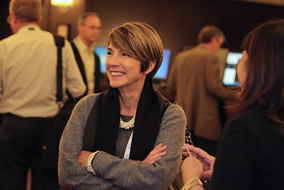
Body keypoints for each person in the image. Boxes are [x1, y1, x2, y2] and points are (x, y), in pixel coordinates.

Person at [58, 22, 186, 190]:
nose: (111, 62)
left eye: (125, 54)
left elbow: (158, 179)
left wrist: (94, 160)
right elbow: (67, 174)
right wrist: (138, 172)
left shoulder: (170, 115)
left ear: (149, 65)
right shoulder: (87, 106)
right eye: (110, 52)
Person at [181, 19, 284, 190]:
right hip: (205, 118)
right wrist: (226, 166)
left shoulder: (246, 130)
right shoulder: (211, 58)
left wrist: (191, 179)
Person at [0, 0, 86, 189]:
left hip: (13, 127)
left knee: (9, 182)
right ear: (39, 18)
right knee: (46, 184)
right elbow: (78, 89)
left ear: (13, 17)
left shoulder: (3, 46)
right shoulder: (60, 43)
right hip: (48, 128)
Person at [167, 25, 237, 156]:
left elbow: (171, 86)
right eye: (220, 44)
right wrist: (238, 97)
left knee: (185, 160)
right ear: (214, 40)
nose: (219, 48)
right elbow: (215, 88)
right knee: (207, 159)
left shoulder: (180, 57)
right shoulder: (211, 57)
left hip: (183, 118)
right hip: (204, 123)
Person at [71, 12, 102, 95]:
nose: (96, 31)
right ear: (80, 27)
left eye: (98, 28)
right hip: (72, 105)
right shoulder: (69, 50)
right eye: (92, 27)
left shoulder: (96, 57)